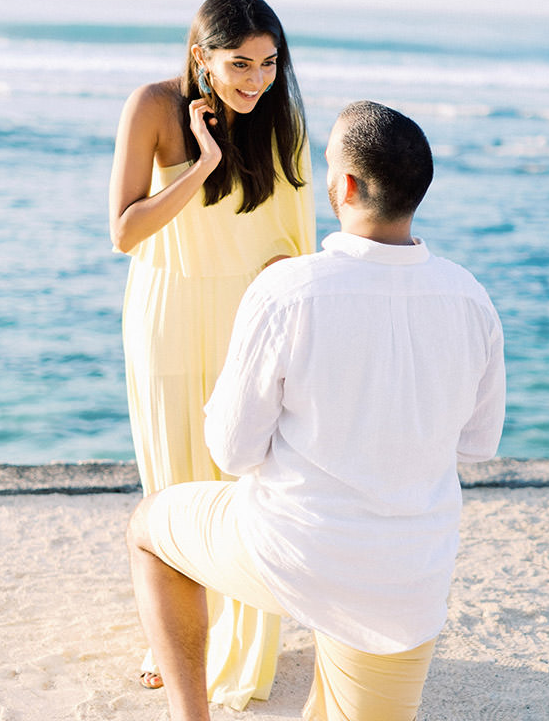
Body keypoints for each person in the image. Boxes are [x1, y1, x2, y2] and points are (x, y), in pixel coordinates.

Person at [126, 99, 506, 721]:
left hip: (291, 553)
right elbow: (477, 446)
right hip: (405, 581)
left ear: (347, 185)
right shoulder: (472, 299)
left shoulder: (286, 289)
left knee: (150, 531)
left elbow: (232, 451)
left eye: (327, 161)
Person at [109, 0, 315, 706]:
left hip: (246, 316)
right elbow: (125, 231)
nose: (257, 80)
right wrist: (200, 164)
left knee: (244, 476)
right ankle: (171, 638)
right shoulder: (152, 107)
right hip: (167, 308)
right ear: (202, 56)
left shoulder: (282, 124)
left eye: (268, 63)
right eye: (239, 64)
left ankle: (237, 640)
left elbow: (296, 246)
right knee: (173, 484)